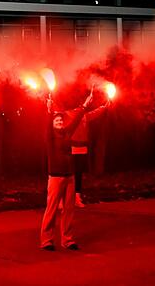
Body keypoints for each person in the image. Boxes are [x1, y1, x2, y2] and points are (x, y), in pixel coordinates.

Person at [40, 92, 108, 251]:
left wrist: (85, 105)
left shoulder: (67, 133)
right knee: (51, 209)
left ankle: (67, 240)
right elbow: (47, 122)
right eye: (56, 120)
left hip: (69, 176)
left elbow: (77, 119)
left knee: (69, 209)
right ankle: (46, 240)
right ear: (52, 123)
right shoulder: (50, 137)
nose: (59, 121)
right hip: (56, 177)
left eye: (60, 120)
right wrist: (49, 110)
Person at [71, 86, 107, 208]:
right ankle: (64, 199)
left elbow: (96, 113)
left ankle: (77, 197)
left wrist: (105, 106)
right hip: (72, 148)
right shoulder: (72, 116)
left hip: (82, 148)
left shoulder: (85, 116)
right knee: (68, 174)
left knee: (79, 174)